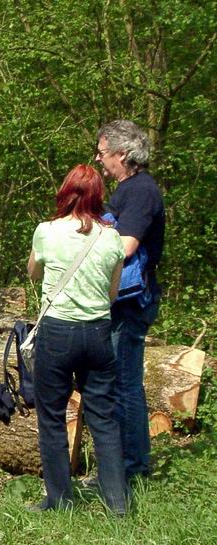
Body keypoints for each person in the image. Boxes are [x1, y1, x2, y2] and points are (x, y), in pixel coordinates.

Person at [27, 164, 127, 514]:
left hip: (57, 331)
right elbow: (113, 293)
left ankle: (60, 500)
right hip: (98, 332)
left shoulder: (47, 231)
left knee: (52, 417)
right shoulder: (111, 237)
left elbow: (33, 272)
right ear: (99, 196)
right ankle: (117, 504)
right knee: (104, 419)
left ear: (65, 192)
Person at [95, 120, 165, 481]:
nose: (98, 159)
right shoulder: (128, 190)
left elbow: (125, 247)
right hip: (119, 301)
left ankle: (131, 468)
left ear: (122, 154)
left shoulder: (141, 191)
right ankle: (121, 464)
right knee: (116, 381)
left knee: (123, 383)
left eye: (102, 153)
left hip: (131, 302)